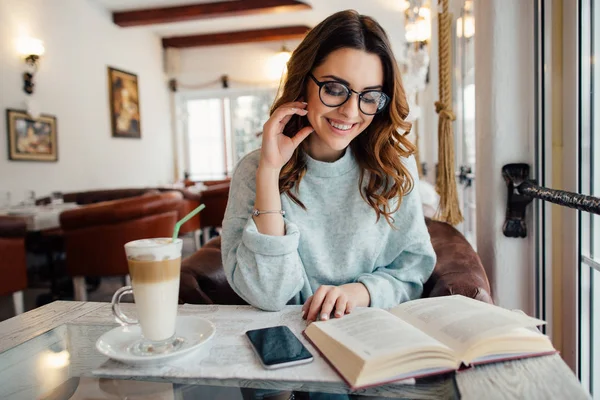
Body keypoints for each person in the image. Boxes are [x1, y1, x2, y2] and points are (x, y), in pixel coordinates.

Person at [221, 9, 436, 325]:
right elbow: (268, 294)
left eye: (370, 96)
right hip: (286, 346)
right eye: (335, 89)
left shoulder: (395, 167)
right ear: (303, 82)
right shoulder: (254, 170)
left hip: (372, 333)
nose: (351, 112)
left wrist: (356, 293)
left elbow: (413, 270)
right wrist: (268, 172)